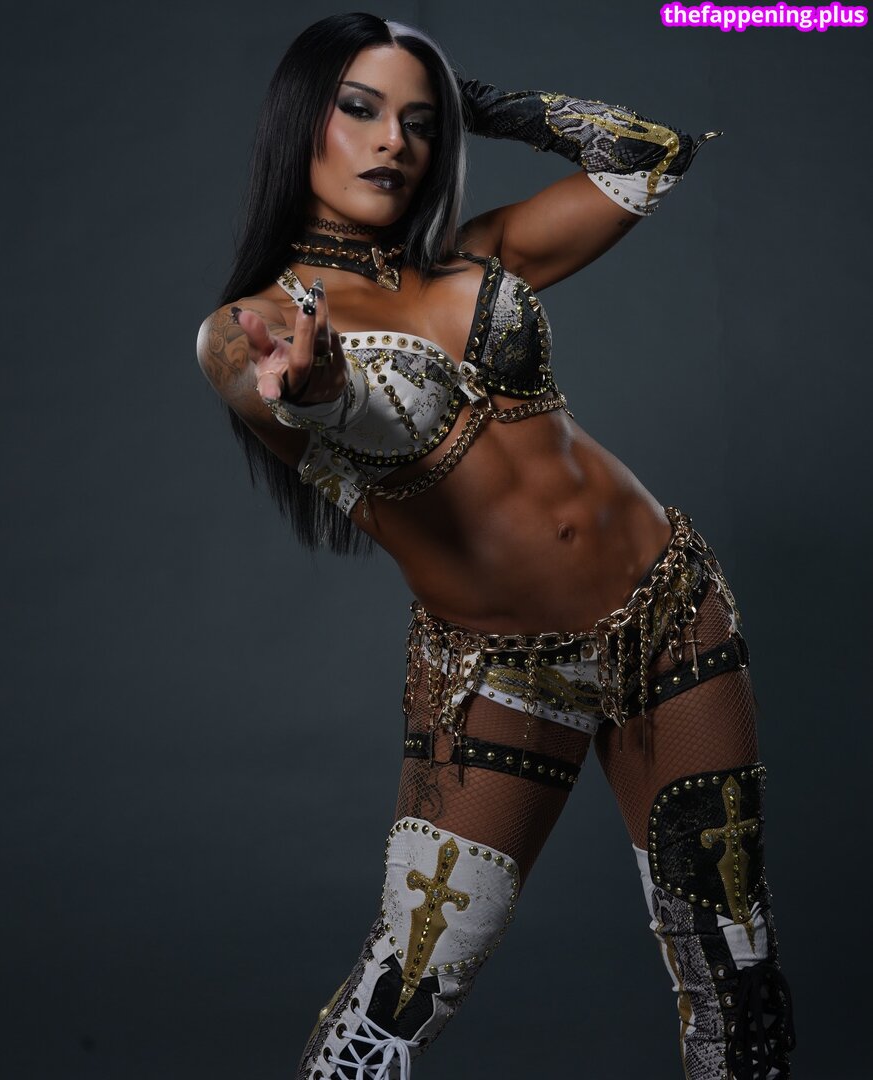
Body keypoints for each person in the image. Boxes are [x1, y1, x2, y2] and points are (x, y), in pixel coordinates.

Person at [196, 13, 795, 1079]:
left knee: (735, 980)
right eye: (359, 109)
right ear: (298, 120)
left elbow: (650, 154)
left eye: (418, 122)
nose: (394, 141)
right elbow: (302, 397)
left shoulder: (474, 255)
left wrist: (471, 100)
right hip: (499, 674)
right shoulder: (251, 328)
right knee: (400, 1001)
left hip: (668, 609)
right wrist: (321, 389)